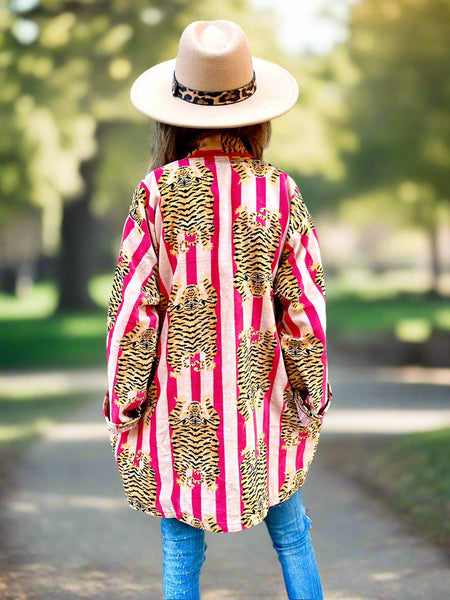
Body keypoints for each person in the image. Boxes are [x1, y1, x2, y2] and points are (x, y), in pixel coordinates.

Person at [103, 19, 332, 600]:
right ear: (257, 114)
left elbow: (134, 308)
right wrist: (310, 392)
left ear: (174, 114)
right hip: (263, 407)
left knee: (180, 549)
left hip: (181, 409)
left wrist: (125, 401)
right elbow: (302, 305)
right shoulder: (280, 192)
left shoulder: (156, 193)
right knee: (293, 534)